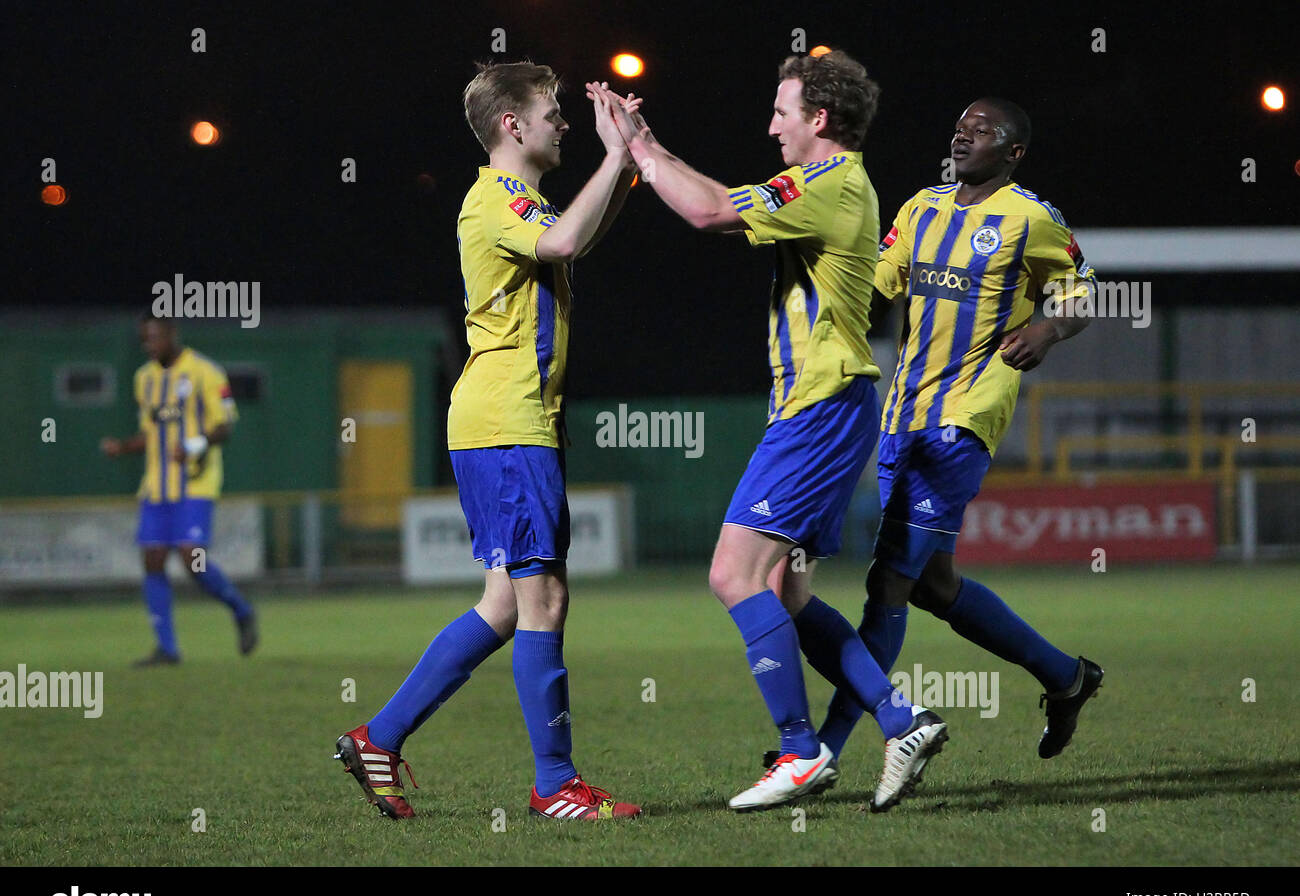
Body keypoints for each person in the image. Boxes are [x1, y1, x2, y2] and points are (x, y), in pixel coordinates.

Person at [593, 51, 947, 814]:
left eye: (782, 112)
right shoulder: (835, 185)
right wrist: (645, 139)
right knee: (782, 594)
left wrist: (639, 154)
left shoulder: (830, 184)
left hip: (818, 409)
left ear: (819, 119)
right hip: (833, 407)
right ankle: (901, 719)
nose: (771, 126)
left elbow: (708, 212)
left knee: (733, 575)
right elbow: (720, 195)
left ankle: (799, 749)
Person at [335, 62, 641, 821]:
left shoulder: (519, 202)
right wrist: (615, 158)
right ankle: (556, 786)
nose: (563, 122)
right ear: (513, 124)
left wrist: (627, 162)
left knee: (506, 604)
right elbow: (568, 241)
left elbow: (576, 237)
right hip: (507, 422)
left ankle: (380, 737)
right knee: (545, 599)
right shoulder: (496, 197)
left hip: (509, 421)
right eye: (553, 111)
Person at [814, 98, 1104, 767]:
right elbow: (877, 283)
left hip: (963, 418)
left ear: (1014, 152)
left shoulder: (1030, 217)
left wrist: (1048, 327)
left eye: (984, 129)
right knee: (931, 584)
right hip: (903, 417)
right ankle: (1066, 678)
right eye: (960, 125)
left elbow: (1084, 290)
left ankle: (824, 752)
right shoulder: (921, 208)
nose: (964, 133)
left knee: (887, 581)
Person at [100, 314, 257, 666]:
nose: (149, 345)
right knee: (152, 559)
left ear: (172, 335)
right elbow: (151, 434)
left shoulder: (205, 371)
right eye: (145, 340)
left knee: (192, 558)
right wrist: (123, 447)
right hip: (156, 487)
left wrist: (194, 445)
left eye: (155, 338)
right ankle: (167, 648)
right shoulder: (144, 379)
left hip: (195, 483)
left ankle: (241, 610)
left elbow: (226, 426)